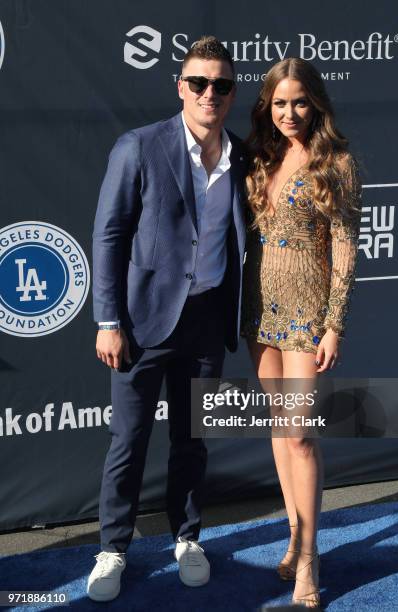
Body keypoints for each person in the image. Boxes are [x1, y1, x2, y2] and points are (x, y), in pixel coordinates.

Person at [88, 36, 246, 602]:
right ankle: (113, 549)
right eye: (199, 83)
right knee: (127, 440)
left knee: (192, 439)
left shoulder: (241, 156)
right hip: (141, 321)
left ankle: (187, 538)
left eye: (221, 85)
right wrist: (109, 319)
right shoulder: (140, 146)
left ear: (231, 93)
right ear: (180, 87)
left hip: (206, 320)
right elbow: (108, 236)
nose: (210, 94)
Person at [241, 58, 362, 609]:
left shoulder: (334, 162)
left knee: (301, 437)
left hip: (306, 316)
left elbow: (344, 247)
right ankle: (294, 535)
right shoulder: (261, 157)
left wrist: (334, 323)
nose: (290, 113)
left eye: (300, 101)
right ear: (269, 105)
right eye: (280, 102)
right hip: (258, 311)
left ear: (316, 103)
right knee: (278, 431)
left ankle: (310, 558)